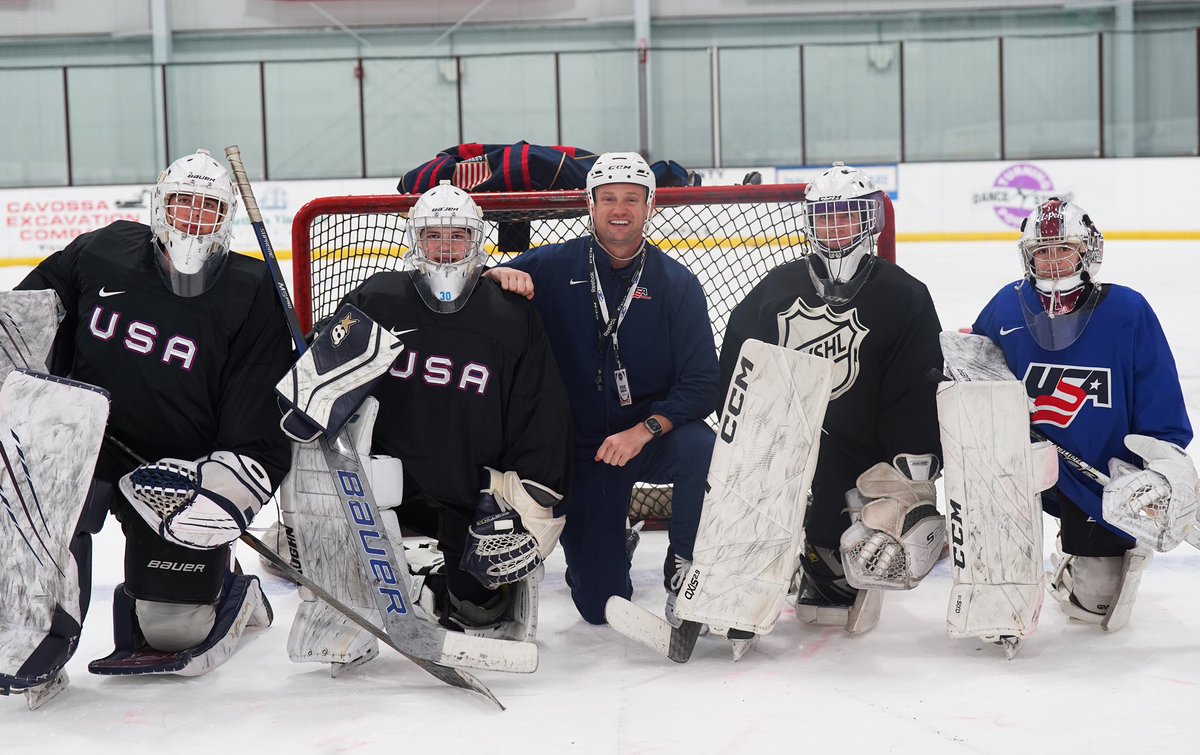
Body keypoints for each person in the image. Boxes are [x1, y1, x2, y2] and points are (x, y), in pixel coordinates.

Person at [2, 149, 292, 703]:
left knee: (171, 631)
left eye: (208, 207)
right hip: (81, 450)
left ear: (225, 218)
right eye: (182, 202)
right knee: (37, 545)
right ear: (159, 205)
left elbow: (257, 413)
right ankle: (35, 641)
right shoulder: (102, 250)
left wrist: (221, 489)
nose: (193, 218)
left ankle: (235, 590)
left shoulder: (251, 289)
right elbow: (27, 319)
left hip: (174, 478)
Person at [281, 181, 572, 667]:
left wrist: (532, 503)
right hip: (380, 491)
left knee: (479, 611)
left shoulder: (509, 313)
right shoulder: (380, 298)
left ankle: (433, 583)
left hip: (470, 494)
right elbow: (315, 387)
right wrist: (309, 388)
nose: (444, 247)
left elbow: (540, 412)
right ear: (414, 239)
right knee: (349, 580)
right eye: (432, 235)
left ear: (476, 239)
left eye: (457, 235)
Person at [486, 151, 720, 626]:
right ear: (589, 205)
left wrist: (644, 430)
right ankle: (610, 545)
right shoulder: (551, 266)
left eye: (632, 199)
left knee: (703, 447)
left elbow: (703, 384)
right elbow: (475, 285)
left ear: (650, 206)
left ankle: (687, 566)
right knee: (601, 607)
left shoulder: (676, 283)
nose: (619, 209)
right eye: (608, 198)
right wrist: (494, 275)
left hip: (646, 438)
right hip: (579, 452)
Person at [718, 162, 944, 632]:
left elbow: (916, 390)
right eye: (824, 216)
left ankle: (828, 554)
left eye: (846, 215)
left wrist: (908, 474)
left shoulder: (904, 296)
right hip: (784, 445)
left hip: (861, 453)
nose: (834, 227)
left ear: (869, 219)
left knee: (839, 563)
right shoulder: (777, 288)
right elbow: (738, 368)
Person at [968, 197, 1194, 630]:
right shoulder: (1006, 306)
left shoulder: (1127, 310)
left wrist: (1160, 465)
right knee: (994, 570)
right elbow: (977, 372)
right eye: (1042, 252)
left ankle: (1081, 554)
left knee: (1093, 605)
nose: (1053, 262)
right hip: (1018, 464)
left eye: (1064, 250)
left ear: (1087, 252)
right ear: (1028, 258)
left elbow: (1158, 394)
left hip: (1097, 474)